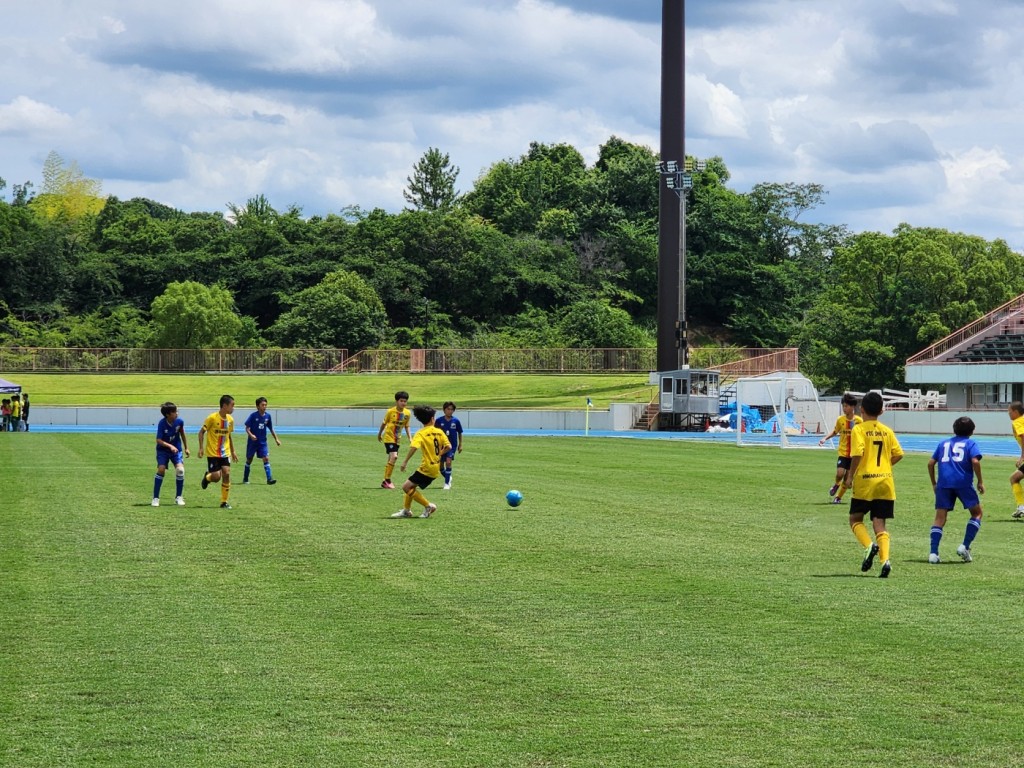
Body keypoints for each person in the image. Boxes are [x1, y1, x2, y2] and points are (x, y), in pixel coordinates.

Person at [844, 391, 904, 578]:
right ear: (882, 410)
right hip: (885, 481)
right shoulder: (887, 431)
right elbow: (899, 454)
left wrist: (850, 476)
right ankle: (885, 561)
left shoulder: (859, 429)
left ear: (861, 409)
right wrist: (886, 466)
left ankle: (870, 546)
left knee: (855, 519)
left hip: (865, 480)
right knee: (880, 523)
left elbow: (858, 453)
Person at [927, 416, 983, 564]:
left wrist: (934, 483)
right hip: (963, 483)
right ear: (972, 431)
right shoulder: (970, 443)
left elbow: (931, 463)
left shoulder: (943, 443)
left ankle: (933, 553)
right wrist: (980, 481)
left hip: (943, 484)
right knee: (977, 513)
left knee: (939, 518)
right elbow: (975, 461)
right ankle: (964, 546)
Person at [391, 405, 451, 519]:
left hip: (427, 468)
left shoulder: (421, 433)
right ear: (432, 419)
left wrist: (405, 462)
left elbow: (414, 447)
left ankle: (428, 506)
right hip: (435, 467)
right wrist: (439, 455)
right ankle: (406, 510)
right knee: (411, 486)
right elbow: (449, 446)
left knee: (406, 487)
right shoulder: (439, 431)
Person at [818, 393, 861, 504]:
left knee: (847, 479)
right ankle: (836, 484)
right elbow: (835, 431)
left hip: (854, 454)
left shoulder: (859, 421)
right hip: (843, 453)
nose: (844, 408)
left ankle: (838, 498)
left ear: (852, 407)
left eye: (846, 406)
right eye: (843, 406)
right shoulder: (840, 420)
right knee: (840, 474)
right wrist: (825, 438)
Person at [198, 394, 238, 509]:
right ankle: (207, 478)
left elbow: (228, 435)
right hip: (213, 453)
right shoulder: (212, 418)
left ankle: (224, 502)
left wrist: (233, 451)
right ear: (224, 406)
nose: (233, 408)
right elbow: (201, 433)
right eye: (232, 405)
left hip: (225, 453)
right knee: (216, 477)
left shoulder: (230, 420)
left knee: (226, 473)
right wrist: (201, 448)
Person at [152, 402, 189, 507]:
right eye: (174, 412)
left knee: (180, 470)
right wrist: (170, 446)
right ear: (168, 414)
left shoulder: (179, 422)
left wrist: (186, 448)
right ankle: (155, 498)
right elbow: (158, 440)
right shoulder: (162, 423)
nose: (177, 413)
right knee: (161, 469)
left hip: (176, 450)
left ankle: (179, 497)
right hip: (163, 451)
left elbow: (182, 433)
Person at [377, 390, 412, 489]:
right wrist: (380, 434)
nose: (403, 403)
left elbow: (407, 426)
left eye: (405, 401)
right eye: (401, 401)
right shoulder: (390, 411)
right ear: (397, 401)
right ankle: (387, 480)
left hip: (397, 439)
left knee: (391, 459)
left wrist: (410, 438)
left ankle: (385, 481)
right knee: (394, 456)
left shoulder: (407, 413)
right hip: (389, 438)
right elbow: (384, 423)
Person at [243, 397, 281, 485]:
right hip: (252, 442)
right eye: (262, 405)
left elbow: (271, 429)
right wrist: (251, 435)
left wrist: (276, 439)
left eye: (265, 405)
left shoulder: (268, 416)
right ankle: (245, 478)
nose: (264, 407)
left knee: (266, 458)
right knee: (249, 459)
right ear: (257, 406)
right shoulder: (253, 416)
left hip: (262, 442)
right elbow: (247, 428)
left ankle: (269, 479)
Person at [434, 401, 464, 490]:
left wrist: (460, 445)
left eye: (451, 409)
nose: (450, 411)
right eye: (448, 409)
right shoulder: (439, 420)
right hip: (441, 446)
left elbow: (460, 433)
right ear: (444, 410)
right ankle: (448, 477)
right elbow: (435, 433)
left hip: (451, 446)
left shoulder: (456, 421)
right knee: (440, 466)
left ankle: (446, 484)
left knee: (448, 462)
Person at [1008, 401, 1024, 518]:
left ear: (1016, 412)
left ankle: (1021, 507)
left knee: (1014, 478)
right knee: (1014, 478)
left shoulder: (1017, 422)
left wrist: (1022, 456)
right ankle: (1021, 507)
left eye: (1010, 411)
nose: (1008, 413)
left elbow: (1023, 436)